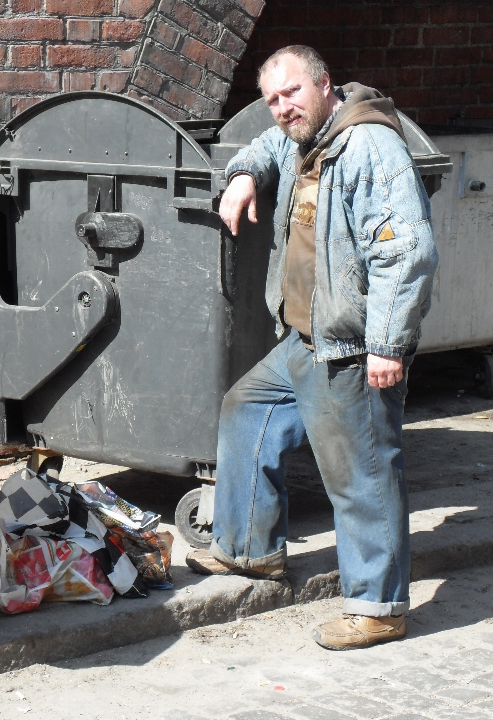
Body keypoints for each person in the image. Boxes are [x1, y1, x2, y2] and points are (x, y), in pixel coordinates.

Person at [186, 45, 439, 651]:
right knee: (248, 407)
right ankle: (248, 549)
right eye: (272, 100)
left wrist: (387, 345)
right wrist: (244, 173)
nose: (282, 108)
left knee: (362, 472)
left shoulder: (369, 147)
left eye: (292, 92)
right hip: (303, 336)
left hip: (352, 346)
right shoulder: (306, 137)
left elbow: (406, 251)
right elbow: (270, 148)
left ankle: (377, 606)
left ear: (325, 85)